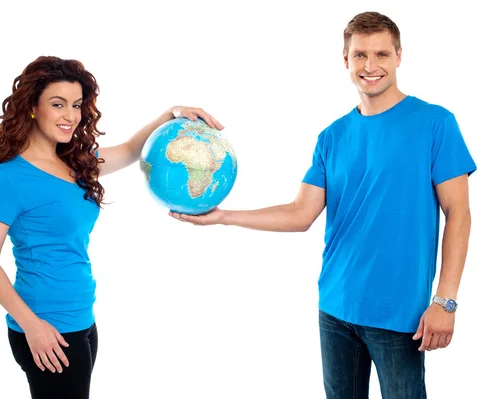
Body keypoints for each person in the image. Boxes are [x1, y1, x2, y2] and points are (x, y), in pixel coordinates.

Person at [171, 11, 476, 399]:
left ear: (399, 56)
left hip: (401, 314)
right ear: (345, 59)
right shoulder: (332, 136)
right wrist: (222, 217)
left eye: (381, 54)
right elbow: (300, 213)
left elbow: (459, 214)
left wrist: (445, 301)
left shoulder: (435, 123)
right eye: (360, 55)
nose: (370, 66)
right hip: (335, 307)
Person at [0, 55, 223, 399]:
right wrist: (33, 327)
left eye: (76, 105)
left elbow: (131, 150)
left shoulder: (74, 162)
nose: (70, 116)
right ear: (31, 107)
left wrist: (173, 113)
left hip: (81, 320)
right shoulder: (8, 179)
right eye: (57, 104)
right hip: (46, 328)